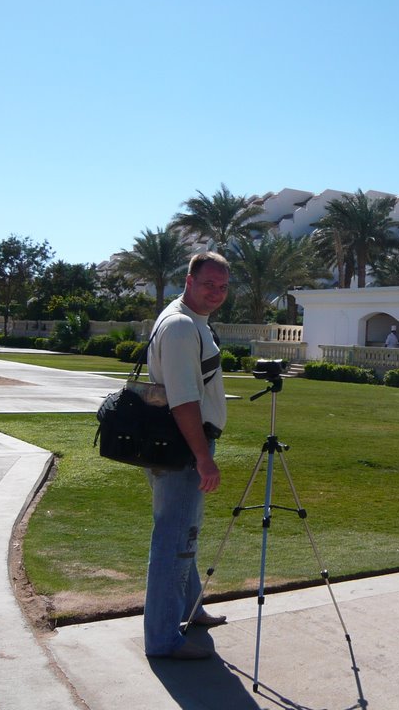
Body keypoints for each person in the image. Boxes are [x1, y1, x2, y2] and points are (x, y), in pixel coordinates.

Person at [144, 251, 230, 660]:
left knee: (183, 530)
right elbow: (182, 400)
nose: (216, 292)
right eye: (209, 283)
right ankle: (162, 639)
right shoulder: (181, 326)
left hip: (179, 445)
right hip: (182, 447)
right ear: (189, 281)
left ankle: (190, 610)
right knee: (173, 538)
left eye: (223, 286)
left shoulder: (192, 320)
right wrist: (203, 456)